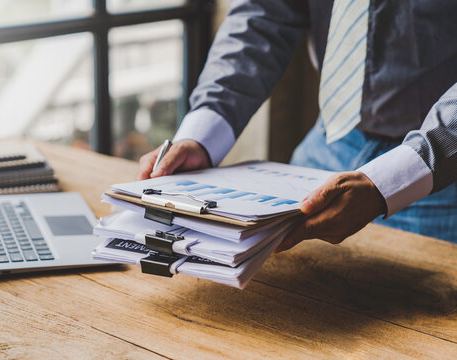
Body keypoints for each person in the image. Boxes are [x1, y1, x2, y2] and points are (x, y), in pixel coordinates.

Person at [137, 0, 457, 249]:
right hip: (327, 145)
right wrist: (201, 137)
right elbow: (263, 16)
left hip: (443, 174)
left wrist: (403, 173)